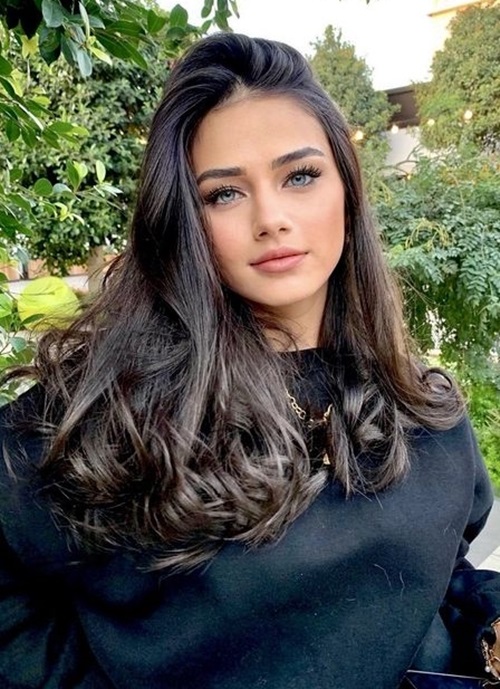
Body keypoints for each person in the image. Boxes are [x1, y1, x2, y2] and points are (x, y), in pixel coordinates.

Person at [0, 32, 499, 689]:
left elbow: (442, 571)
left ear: (347, 190)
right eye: (224, 194)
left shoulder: (425, 406)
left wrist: (488, 620)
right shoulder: (106, 414)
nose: (272, 218)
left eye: (300, 176)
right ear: (184, 220)